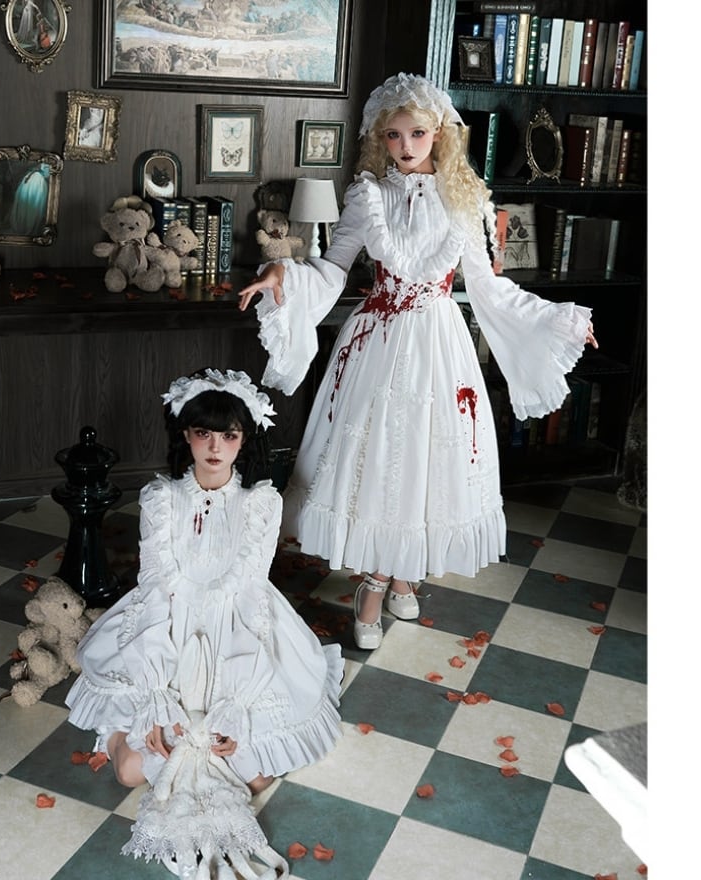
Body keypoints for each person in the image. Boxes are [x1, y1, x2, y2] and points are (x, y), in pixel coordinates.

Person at [238, 73, 598, 651]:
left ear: (439, 135)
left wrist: (558, 320)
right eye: (394, 135)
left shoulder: (464, 199)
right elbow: (332, 269)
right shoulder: (369, 196)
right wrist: (283, 272)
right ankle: (374, 582)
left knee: (425, 459)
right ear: (380, 138)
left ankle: (404, 571)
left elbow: (488, 288)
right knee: (379, 458)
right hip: (377, 342)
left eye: (417, 134)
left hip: (437, 342)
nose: (405, 146)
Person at [65, 368, 343, 878]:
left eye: (229, 436)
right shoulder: (162, 498)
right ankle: (132, 729)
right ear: (185, 435)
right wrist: (155, 692)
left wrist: (235, 701)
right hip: (166, 624)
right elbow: (155, 584)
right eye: (203, 433)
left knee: (255, 779)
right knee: (129, 772)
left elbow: (249, 595)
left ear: (245, 439)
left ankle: (206, 735)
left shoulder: (261, 502)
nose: (215, 447)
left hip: (237, 628)